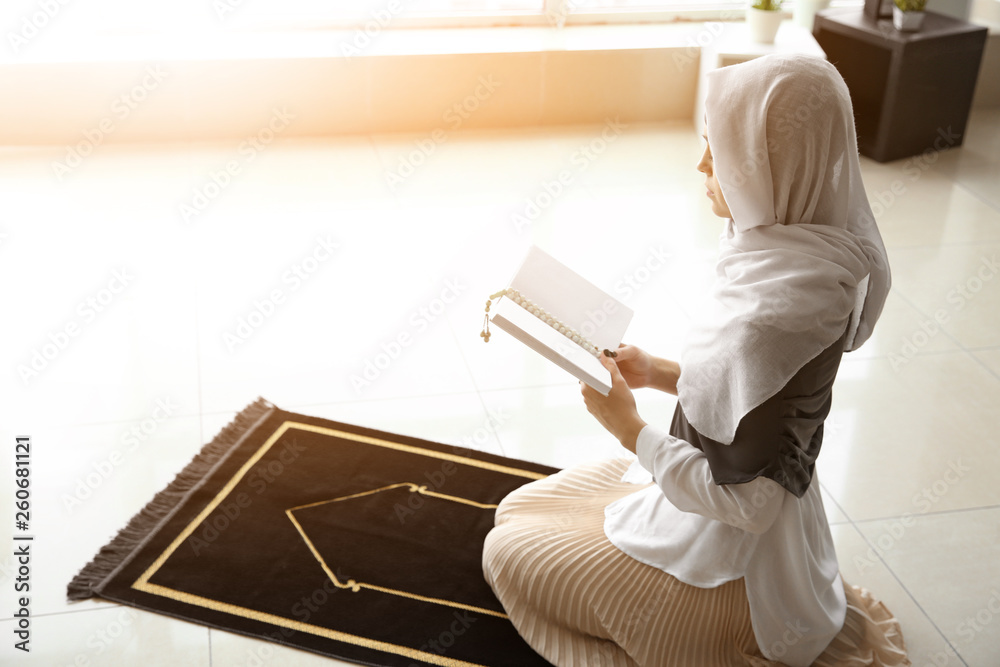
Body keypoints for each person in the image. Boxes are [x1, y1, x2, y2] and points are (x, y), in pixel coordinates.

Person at [482, 54, 910, 666]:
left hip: (735, 568)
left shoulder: (776, 314)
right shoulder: (805, 256)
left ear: (775, 166)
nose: (703, 164)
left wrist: (629, 429)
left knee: (509, 551)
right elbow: (755, 395)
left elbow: (750, 504)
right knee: (518, 508)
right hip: (746, 520)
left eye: (720, 148)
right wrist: (657, 372)